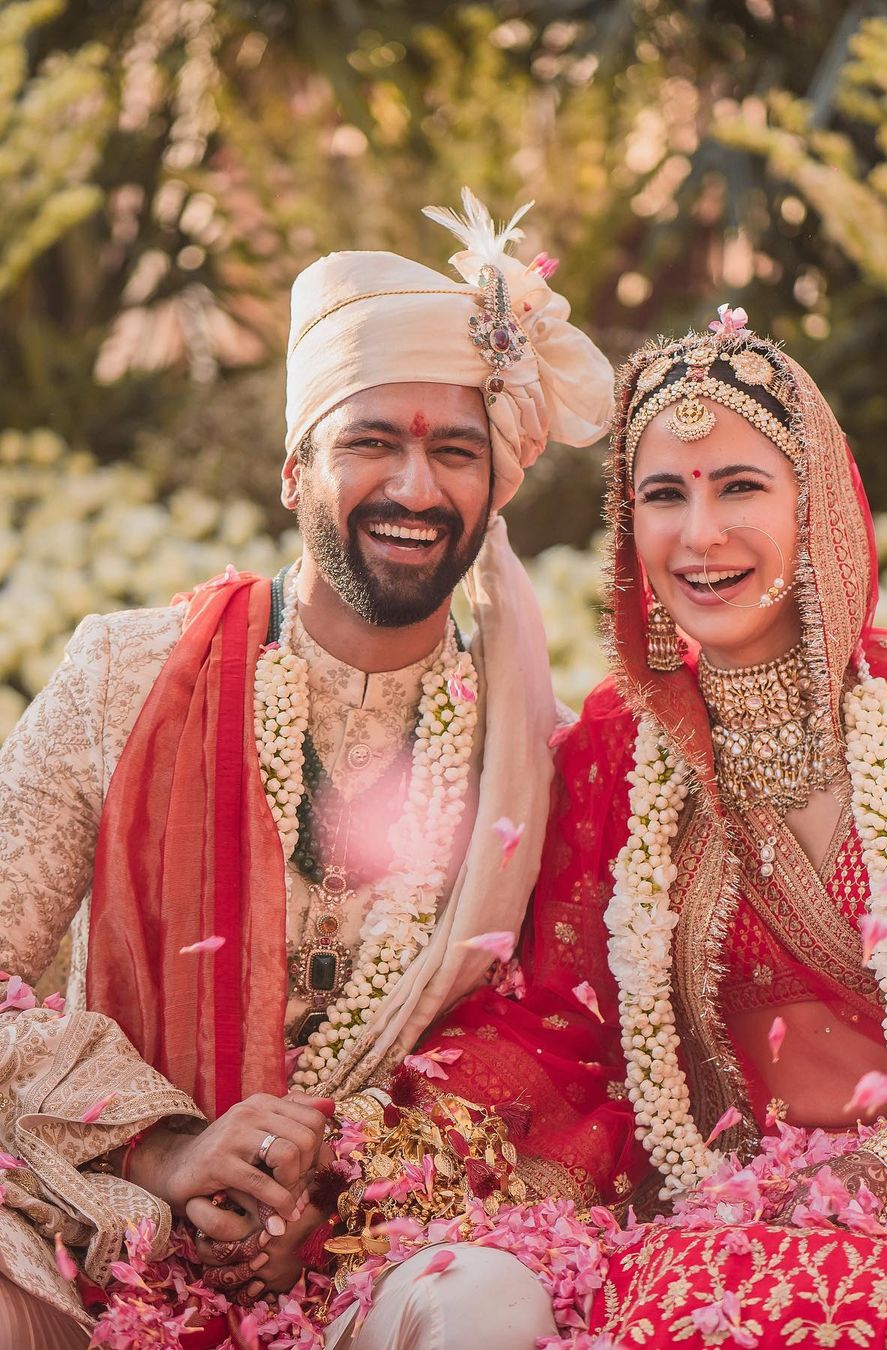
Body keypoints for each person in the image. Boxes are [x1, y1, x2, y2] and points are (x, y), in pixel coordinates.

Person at [393, 308, 887, 1344]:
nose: (699, 535)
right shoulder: (619, 753)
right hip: (715, 1224)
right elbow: (564, 1024)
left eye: (741, 487)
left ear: (820, 510)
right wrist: (395, 1149)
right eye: (664, 495)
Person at [0, 189, 612, 1347]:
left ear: (497, 488)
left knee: (487, 1304)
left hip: (369, 1247)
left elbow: (552, 1053)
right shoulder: (123, 675)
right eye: (371, 441)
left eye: (454, 452)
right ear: (294, 472)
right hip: (105, 1214)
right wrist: (164, 1145)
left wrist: (340, 1183)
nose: (416, 489)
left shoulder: (532, 760)